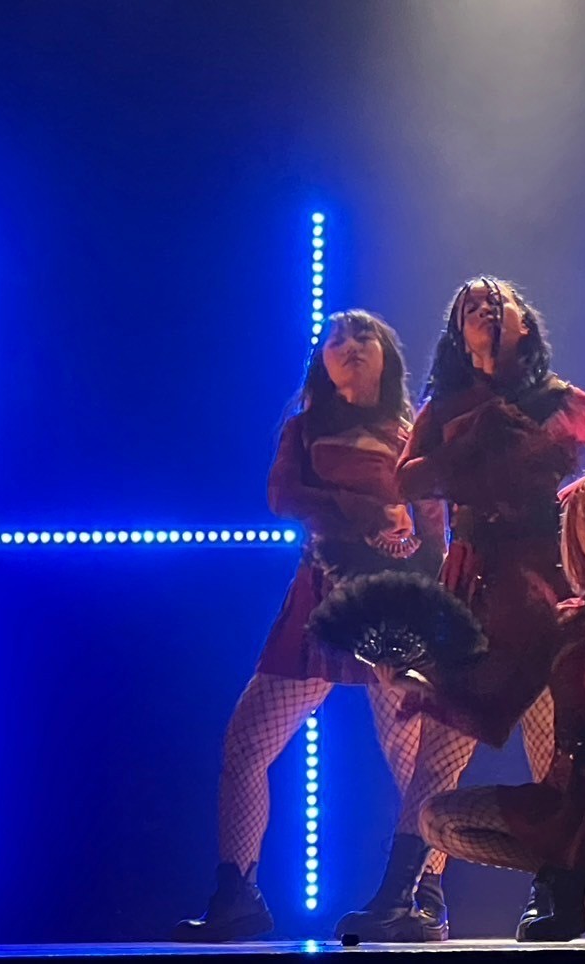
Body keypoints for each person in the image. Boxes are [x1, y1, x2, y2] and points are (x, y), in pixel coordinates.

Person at [336, 277, 585, 942]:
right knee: (440, 750)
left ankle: (556, 893)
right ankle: (403, 894)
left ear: (524, 324)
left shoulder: (561, 399)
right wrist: (467, 439)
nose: (481, 304)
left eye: (494, 299)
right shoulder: (447, 405)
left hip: (550, 585)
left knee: (557, 750)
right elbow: (407, 480)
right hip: (475, 590)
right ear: (459, 334)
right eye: (467, 306)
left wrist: (573, 498)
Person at [174, 311, 443, 942]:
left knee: (416, 762)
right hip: (319, 604)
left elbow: (435, 537)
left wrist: (418, 586)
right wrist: (362, 510)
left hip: (392, 609)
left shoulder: (412, 435)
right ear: (321, 362)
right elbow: (283, 497)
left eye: (364, 336)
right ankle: (237, 895)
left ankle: (422, 896)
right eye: (336, 339)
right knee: (246, 744)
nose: (350, 346)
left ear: (388, 355)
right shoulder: (304, 429)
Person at [366, 466, 585, 941]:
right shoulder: (562, 620)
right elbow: (499, 705)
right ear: (575, 531)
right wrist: (422, 689)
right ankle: (565, 873)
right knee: (436, 820)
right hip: (567, 798)